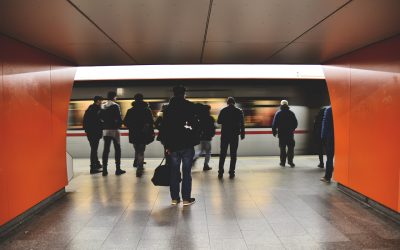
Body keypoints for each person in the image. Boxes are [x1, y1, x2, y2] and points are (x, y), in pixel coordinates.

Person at [161, 86, 200, 206]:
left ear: (173, 93)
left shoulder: (168, 109)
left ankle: (174, 198)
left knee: (174, 172)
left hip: (172, 145)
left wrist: (166, 145)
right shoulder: (189, 106)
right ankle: (186, 199)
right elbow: (195, 123)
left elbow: (165, 128)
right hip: (187, 144)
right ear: (184, 94)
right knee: (186, 172)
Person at [124, 93, 154, 177]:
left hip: (134, 133)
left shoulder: (130, 110)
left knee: (137, 150)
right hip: (143, 133)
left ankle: (137, 163)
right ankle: (139, 169)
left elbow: (125, 122)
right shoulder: (147, 110)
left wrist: (132, 126)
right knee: (141, 151)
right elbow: (151, 122)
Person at [217, 97, 245, 179]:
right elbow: (242, 124)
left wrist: (225, 121)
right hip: (234, 135)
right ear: (234, 103)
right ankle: (231, 172)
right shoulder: (239, 111)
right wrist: (242, 134)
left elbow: (219, 121)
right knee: (233, 154)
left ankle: (220, 172)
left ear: (227, 103)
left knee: (223, 154)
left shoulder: (223, 110)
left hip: (225, 135)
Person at [101, 91, 126, 176]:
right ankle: (118, 169)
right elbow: (118, 118)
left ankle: (104, 170)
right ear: (114, 97)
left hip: (105, 130)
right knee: (117, 149)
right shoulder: (115, 106)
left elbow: (100, 117)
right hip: (114, 130)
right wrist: (118, 124)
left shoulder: (103, 105)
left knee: (106, 150)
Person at [272, 100, 298, 167]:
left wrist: (274, 132)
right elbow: (296, 123)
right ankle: (290, 162)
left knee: (282, 149)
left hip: (281, 134)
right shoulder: (291, 113)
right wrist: (292, 129)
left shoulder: (278, 113)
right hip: (290, 134)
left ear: (281, 105)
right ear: (287, 105)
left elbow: (274, 124)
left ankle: (282, 162)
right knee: (290, 149)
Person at [82, 95, 104, 174]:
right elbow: (99, 121)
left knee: (94, 148)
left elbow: (84, 121)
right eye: (101, 101)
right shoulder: (97, 109)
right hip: (95, 132)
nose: (101, 102)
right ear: (98, 101)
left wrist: (87, 130)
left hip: (90, 132)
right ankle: (93, 168)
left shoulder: (89, 109)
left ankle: (97, 164)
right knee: (94, 149)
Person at [193, 105, 216, 171]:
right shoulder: (210, 118)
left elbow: (197, 128)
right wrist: (212, 134)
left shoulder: (200, 118)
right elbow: (213, 128)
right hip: (207, 137)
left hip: (201, 137)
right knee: (208, 152)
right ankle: (206, 165)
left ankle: (193, 159)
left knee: (200, 151)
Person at [320, 106, 334, 183]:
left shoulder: (329, 110)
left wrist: (323, 137)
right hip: (343, 137)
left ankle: (327, 177)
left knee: (330, 157)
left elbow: (325, 124)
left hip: (331, 138)